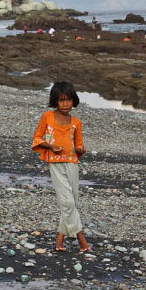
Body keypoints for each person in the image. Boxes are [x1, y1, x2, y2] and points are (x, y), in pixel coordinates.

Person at [31, 82, 91, 253]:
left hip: (72, 163)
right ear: (55, 101)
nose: (65, 104)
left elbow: (79, 145)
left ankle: (60, 239)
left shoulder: (76, 123)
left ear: (74, 101)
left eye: (68, 100)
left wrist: (80, 150)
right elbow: (37, 138)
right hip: (55, 162)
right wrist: (51, 147)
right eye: (61, 101)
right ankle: (81, 240)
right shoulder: (47, 117)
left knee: (73, 202)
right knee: (67, 201)